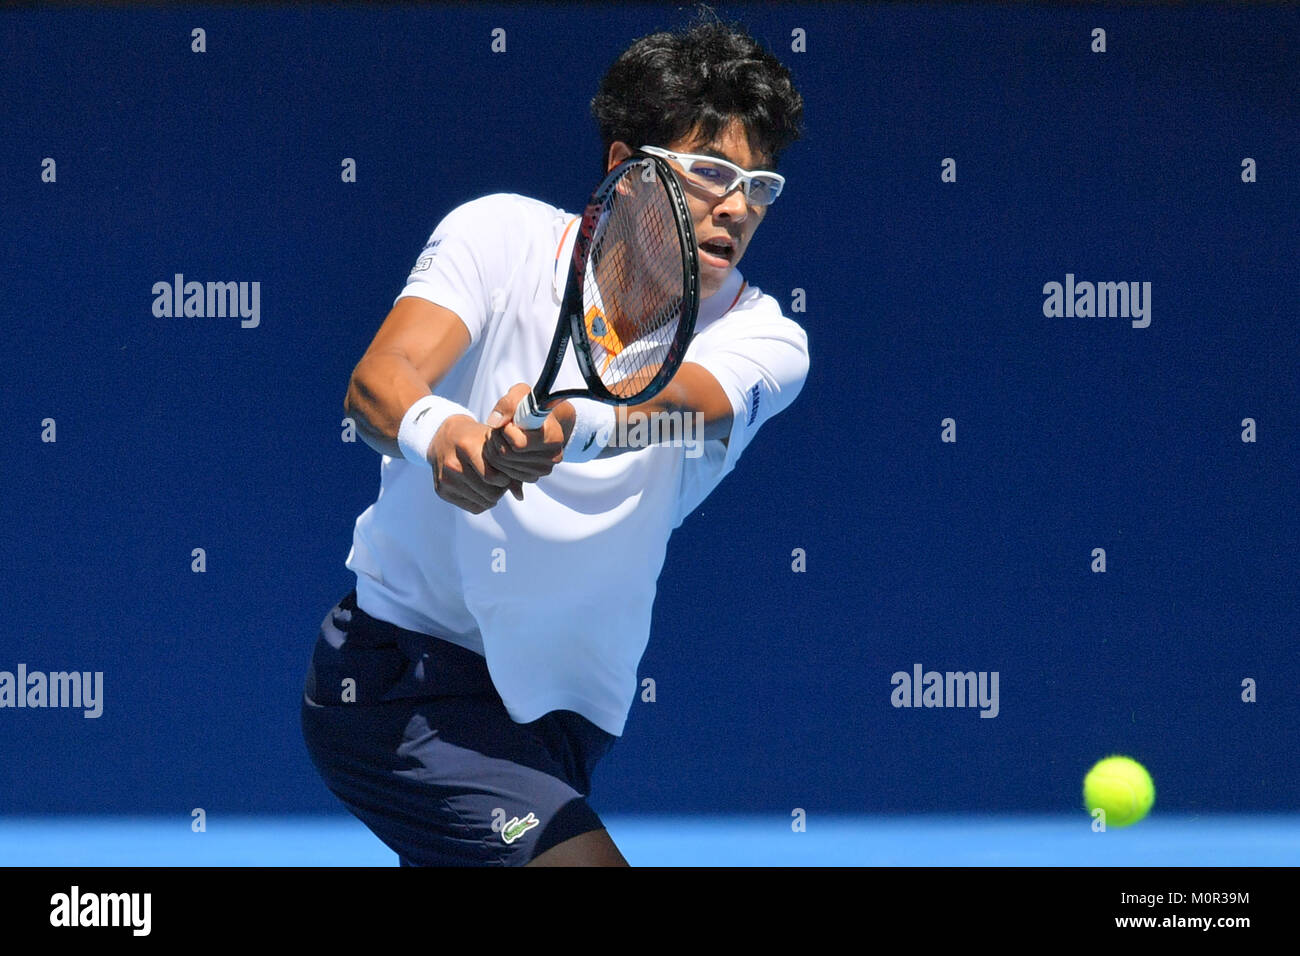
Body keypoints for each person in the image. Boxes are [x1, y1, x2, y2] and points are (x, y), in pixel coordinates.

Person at [301, 11, 808, 866]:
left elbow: (679, 405)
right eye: (711, 171)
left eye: (760, 186)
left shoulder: (768, 339)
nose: (737, 206)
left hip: (566, 723)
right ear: (625, 169)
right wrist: (445, 435)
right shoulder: (497, 237)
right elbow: (376, 386)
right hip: (400, 681)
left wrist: (567, 427)